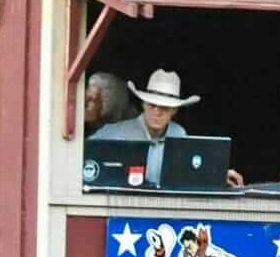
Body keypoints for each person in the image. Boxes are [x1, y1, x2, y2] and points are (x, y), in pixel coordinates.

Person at [93, 70, 243, 188]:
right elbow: (83, 165)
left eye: (164, 107)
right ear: (143, 104)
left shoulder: (179, 134)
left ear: (174, 111)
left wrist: (215, 176)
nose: (157, 112)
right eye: (152, 105)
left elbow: (189, 175)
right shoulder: (112, 134)